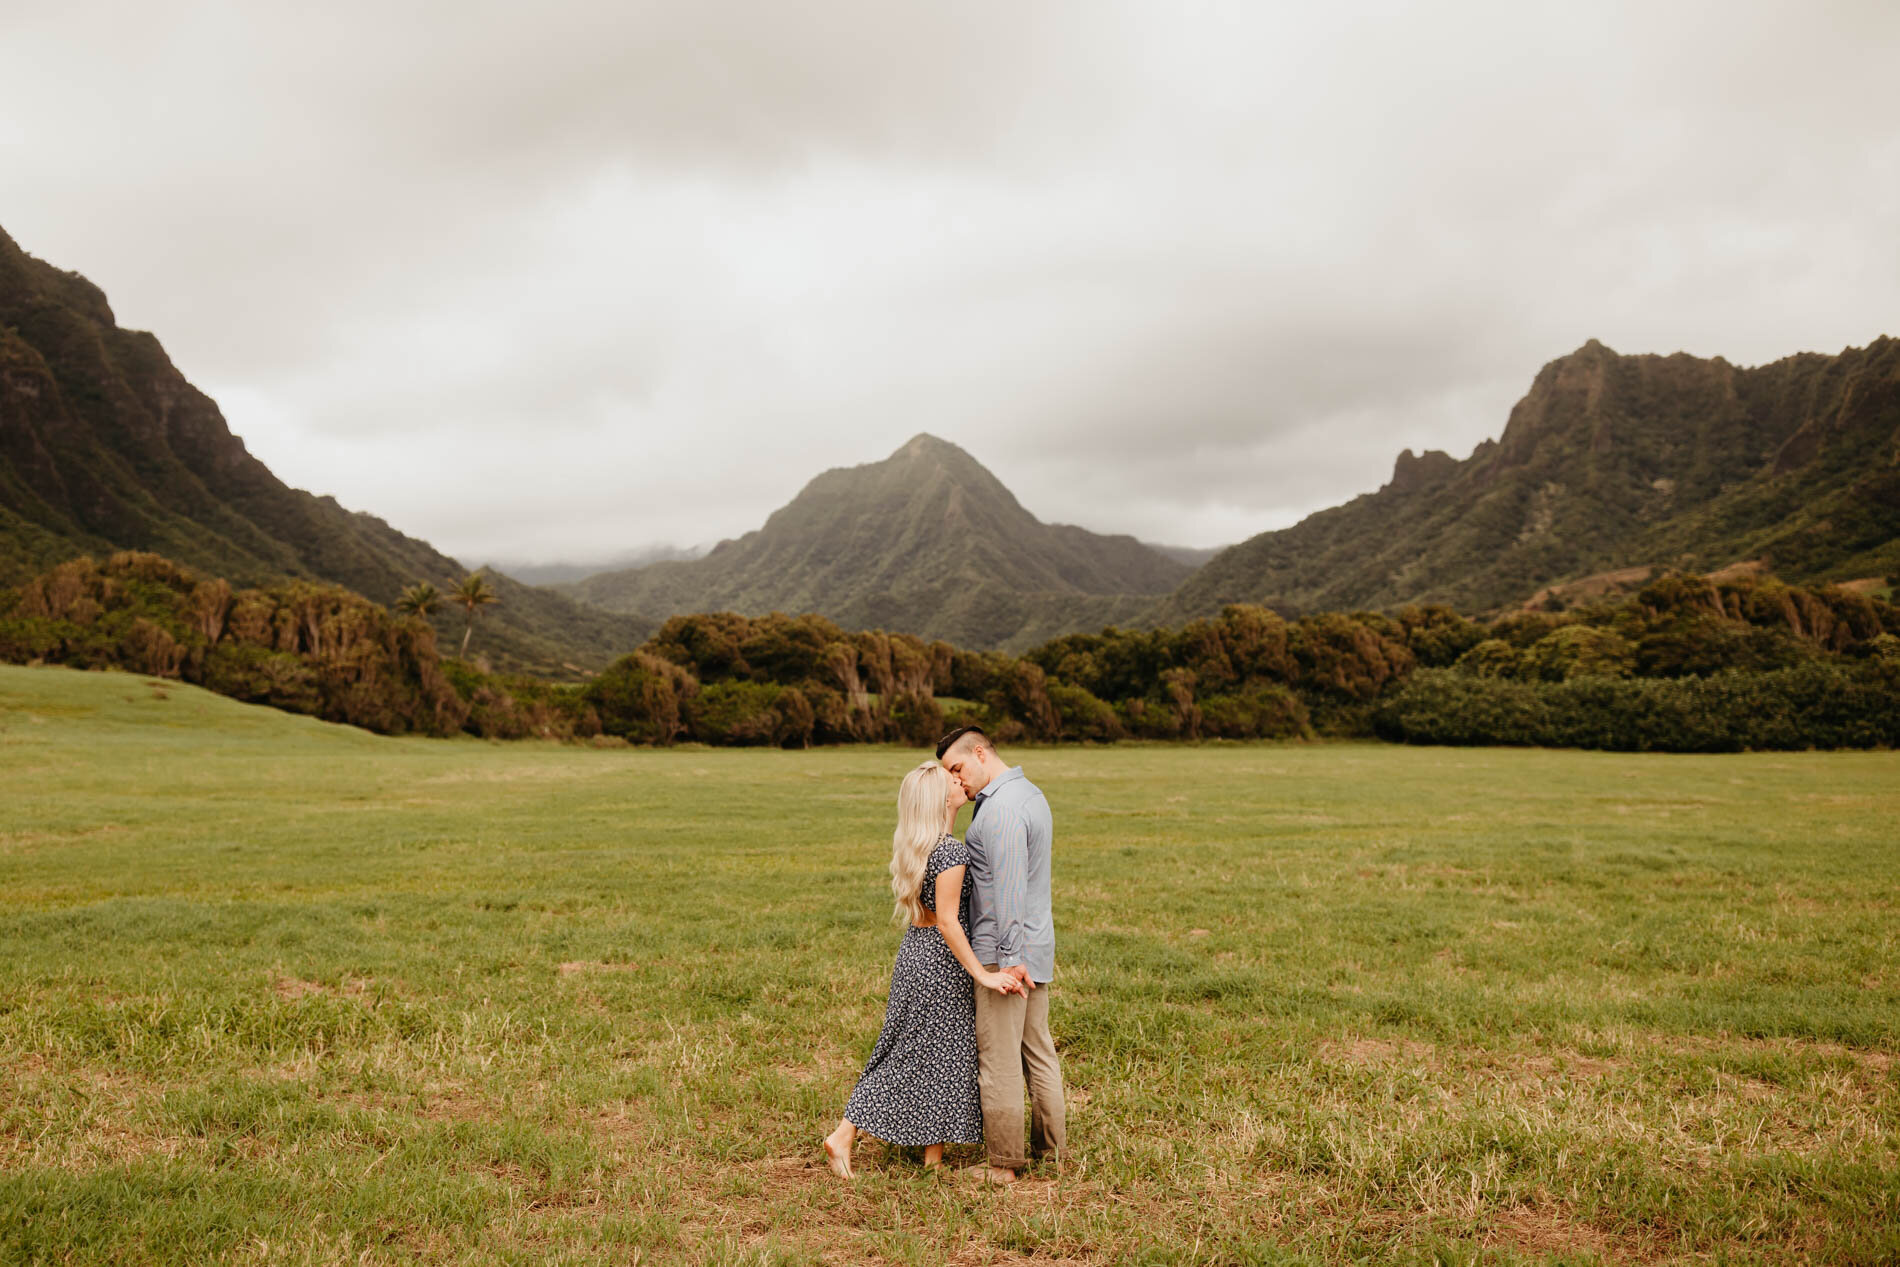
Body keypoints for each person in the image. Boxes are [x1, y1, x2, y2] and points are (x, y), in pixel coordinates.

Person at [823, 761, 1025, 1178]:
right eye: (950, 780)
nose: (959, 780)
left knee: (938, 1056)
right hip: (939, 964)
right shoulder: (950, 851)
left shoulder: (924, 845)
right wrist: (982, 974)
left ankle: (933, 1159)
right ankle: (844, 1134)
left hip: (916, 955)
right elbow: (949, 922)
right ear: (940, 798)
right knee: (913, 1055)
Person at [935, 725, 1066, 1185]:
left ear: (980, 753)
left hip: (1004, 953)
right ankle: (1053, 1152)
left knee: (1000, 1058)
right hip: (1034, 946)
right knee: (1037, 1051)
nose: (957, 781)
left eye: (957, 769)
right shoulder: (1029, 794)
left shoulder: (1002, 811)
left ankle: (1004, 1163)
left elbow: (1008, 891)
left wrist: (1008, 961)